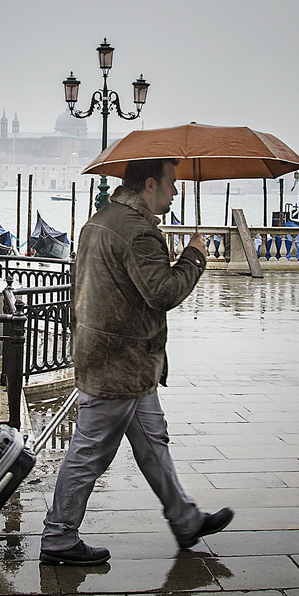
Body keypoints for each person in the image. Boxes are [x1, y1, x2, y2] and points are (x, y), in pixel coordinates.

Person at [40, 158, 233, 566]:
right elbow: (162, 293)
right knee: (90, 450)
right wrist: (194, 257)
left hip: (114, 355)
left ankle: (185, 520)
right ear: (150, 185)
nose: (176, 192)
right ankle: (58, 537)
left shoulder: (100, 220)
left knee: (152, 441)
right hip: (120, 362)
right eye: (171, 184)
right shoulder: (139, 233)